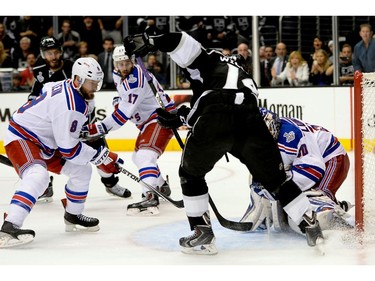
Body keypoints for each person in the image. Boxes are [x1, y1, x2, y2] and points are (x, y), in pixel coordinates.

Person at [123, 31, 324, 255]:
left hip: (216, 116)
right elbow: (220, 101)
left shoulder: (208, 57)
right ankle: (311, 226)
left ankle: (202, 234)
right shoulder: (246, 77)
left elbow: (180, 42)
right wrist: (181, 117)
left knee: (190, 174)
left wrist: (149, 40)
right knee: (278, 181)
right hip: (250, 119)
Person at [0, 57, 123, 248]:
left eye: (97, 83)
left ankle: (73, 215)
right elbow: (69, 149)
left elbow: (47, 88)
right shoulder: (72, 105)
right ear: (78, 80)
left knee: (82, 171)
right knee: (37, 176)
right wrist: (100, 157)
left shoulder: (68, 87)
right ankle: (9, 227)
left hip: (45, 142)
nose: (95, 87)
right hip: (23, 137)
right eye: (92, 83)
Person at [29, 36, 130, 202]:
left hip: (80, 117)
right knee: (44, 149)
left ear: (61, 51)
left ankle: (110, 183)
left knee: (100, 150)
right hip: (56, 121)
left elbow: (88, 97)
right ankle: (45, 186)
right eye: (48, 53)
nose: (53, 57)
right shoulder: (39, 68)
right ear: (42, 54)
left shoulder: (72, 67)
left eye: (55, 52)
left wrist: (83, 125)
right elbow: (36, 93)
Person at [80, 45, 173, 215]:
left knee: (145, 156)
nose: (123, 67)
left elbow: (122, 116)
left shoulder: (137, 80)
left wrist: (97, 128)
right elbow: (123, 97)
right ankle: (160, 186)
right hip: (148, 121)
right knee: (138, 157)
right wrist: (119, 100)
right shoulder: (118, 74)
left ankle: (150, 195)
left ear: (132, 62)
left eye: (126, 63)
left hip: (160, 118)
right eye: (120, 63)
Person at [241, 108, 353, 237]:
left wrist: (279, 189)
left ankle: (333, 219)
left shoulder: (290, 136)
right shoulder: (273, 133)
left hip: (331, 158)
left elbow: (314, 169)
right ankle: (334, 206)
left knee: (313, 198)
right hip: (307, 162)